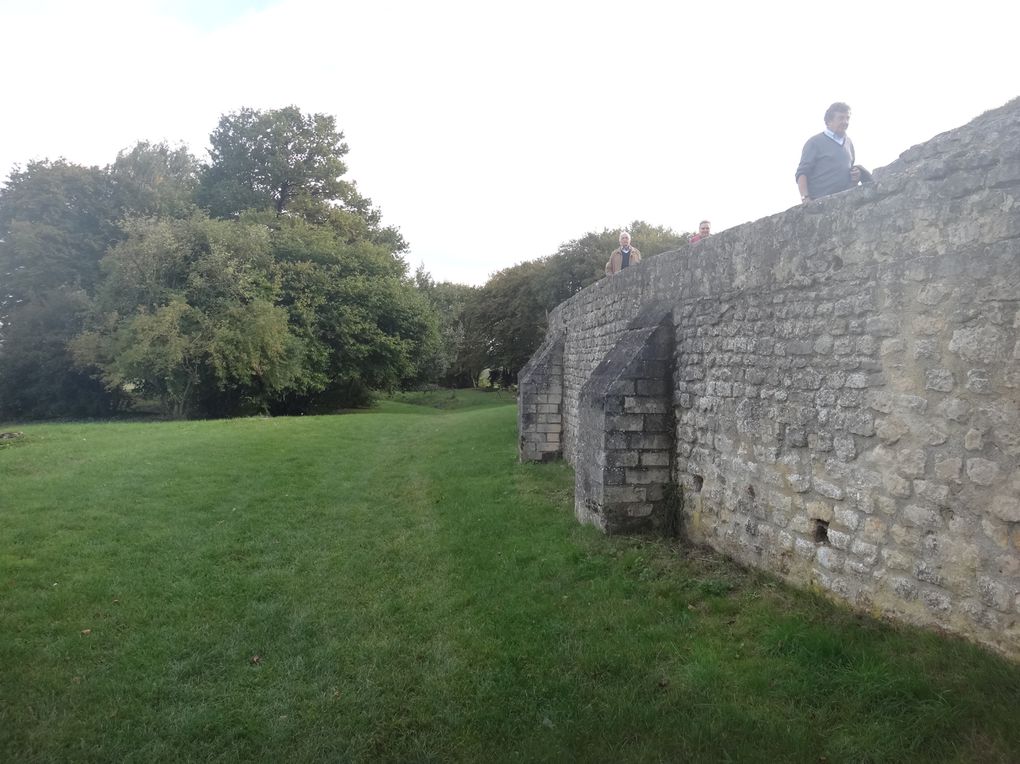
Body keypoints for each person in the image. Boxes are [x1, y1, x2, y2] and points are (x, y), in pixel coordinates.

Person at [795, 102, 863, 204]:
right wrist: (805, 199)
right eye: (841, 118)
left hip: (846, 202)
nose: (845, 122)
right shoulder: (814, 142)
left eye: (847, 118)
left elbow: (849, 170)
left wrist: (855, 177)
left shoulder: (849, 143)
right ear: (829, 121)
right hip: (821, 204)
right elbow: (802, 173)